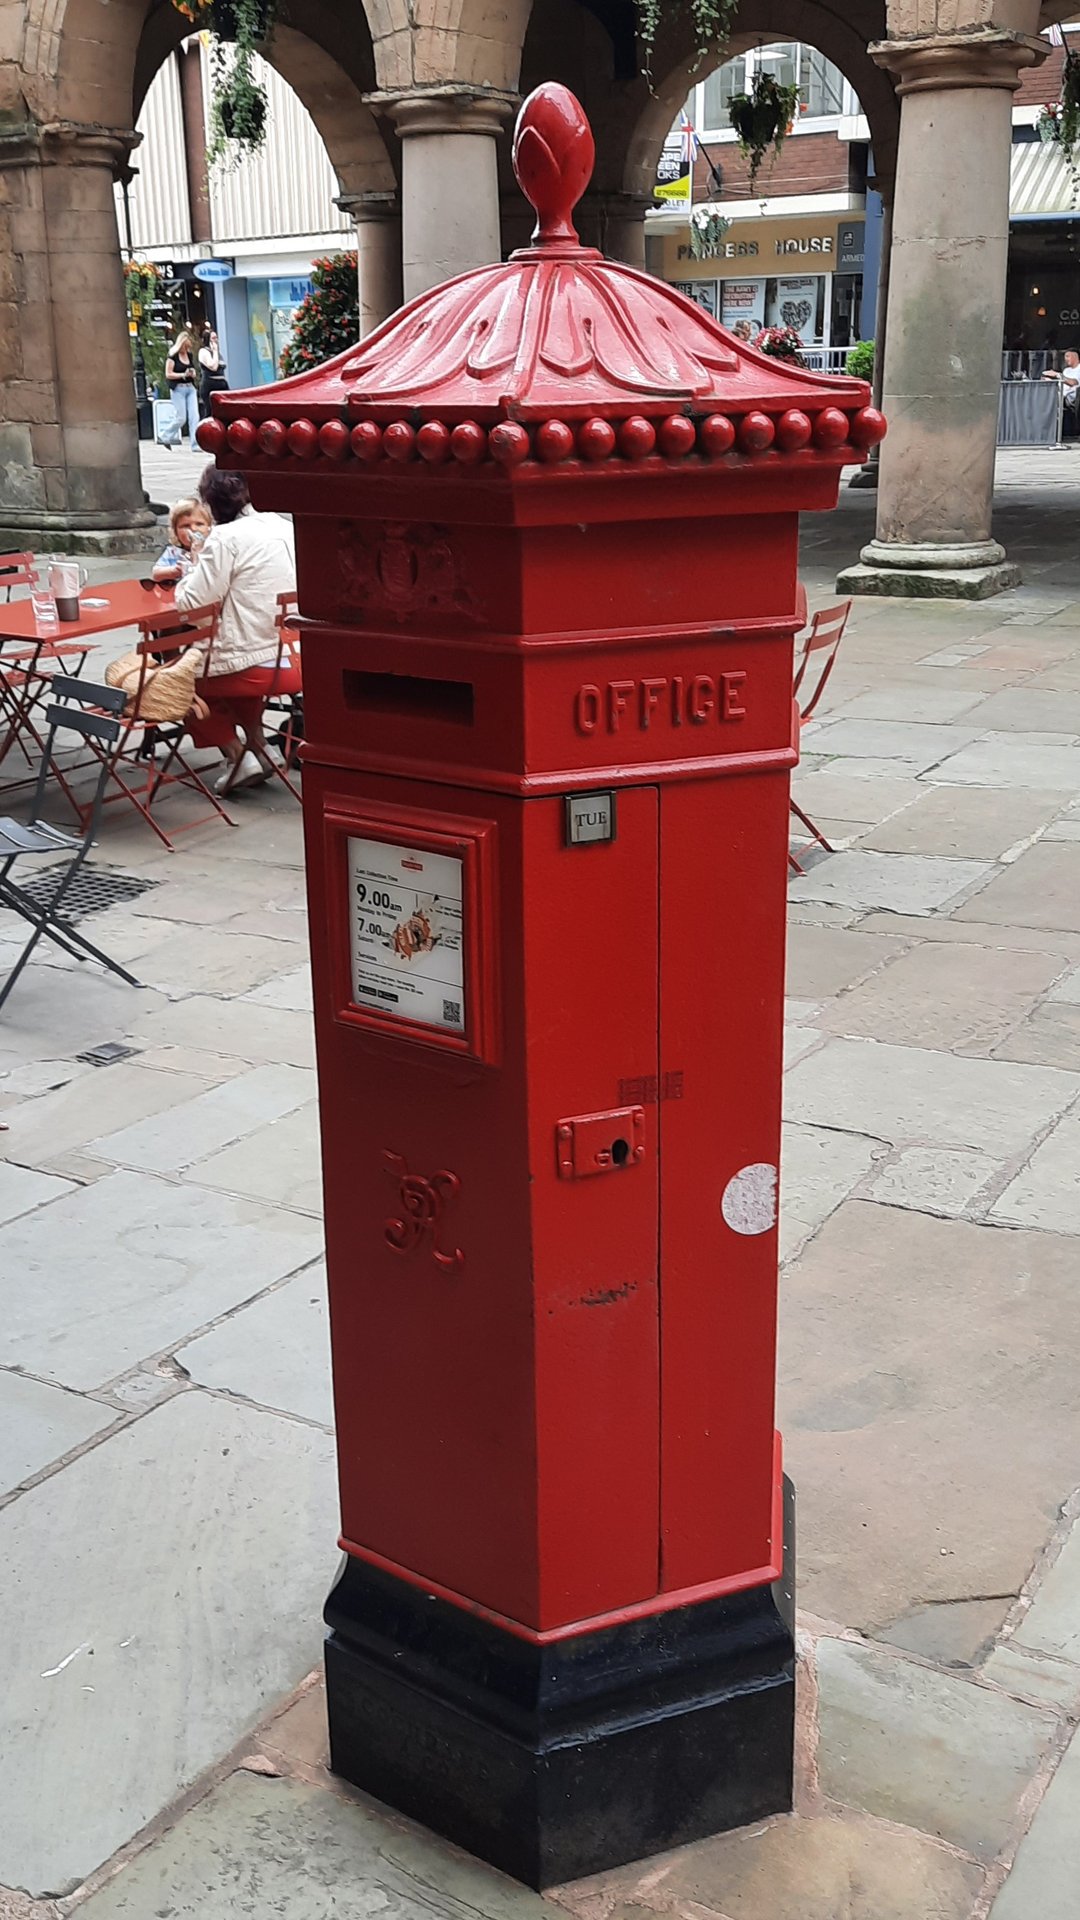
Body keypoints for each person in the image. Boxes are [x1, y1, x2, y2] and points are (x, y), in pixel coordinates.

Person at [174, 466, 299, 794]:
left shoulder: (225, 538)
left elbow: (191, 604)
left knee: (175, 681)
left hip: (255, 664)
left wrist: (195, 563)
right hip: (293, 658)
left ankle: (237, 756)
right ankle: (260, 749)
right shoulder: (283, 526)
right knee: (227, 673)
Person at [151, 497, 212, 584]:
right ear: (175, 532)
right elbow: (155, 574)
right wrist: (174, 571)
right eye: (185, 526)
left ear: (209, 528)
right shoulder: (173, 552)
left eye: (199, 524)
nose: (193, 529)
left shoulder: (211, 549)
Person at [165, 329, 200, 441]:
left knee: (194, 416)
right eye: (186, 346)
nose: (187, 349)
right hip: (178, 389)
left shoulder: (189, 355)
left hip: (190, 388)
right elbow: (168, 374)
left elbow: (192, 368)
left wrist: (192, 372)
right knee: (181, 418)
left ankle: (195, 444)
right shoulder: (173, 356)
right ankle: (165, 435)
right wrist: (182, 375)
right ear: (182, 343)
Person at [198, 326, 228, 416]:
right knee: (210, 411)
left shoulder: (218, 354)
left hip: (221, 383)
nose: (216, 340)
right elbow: (213, 366)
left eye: (216, 338)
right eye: (213, 338)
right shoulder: (203, 352)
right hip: (210, 384)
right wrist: (214, 351)